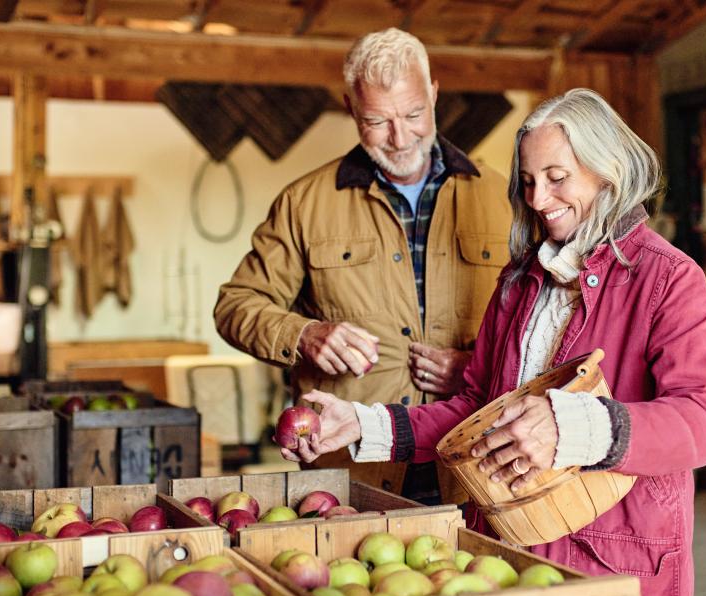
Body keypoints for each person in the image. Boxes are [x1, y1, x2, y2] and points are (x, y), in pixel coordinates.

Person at [279, 88, 706, 596]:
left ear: (609, 171)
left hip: (610, 561)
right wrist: (362, 425)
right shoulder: (521, 280)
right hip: (505, 553)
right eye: (527, 181)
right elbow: (475, 409)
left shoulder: (668, 279)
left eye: (557, 177)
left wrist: (574, 425)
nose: (537, 199)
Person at [215, 28, 511, 503]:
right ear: (350, 107)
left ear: (434, 95)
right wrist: (303, 335)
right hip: (351, 470)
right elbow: (235, 306)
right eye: (377, 120)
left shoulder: (505, 197)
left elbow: (549, 325)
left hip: (476, 462)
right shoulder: (304, 203)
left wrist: (482, 371)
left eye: (414, 114)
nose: (399, 138)